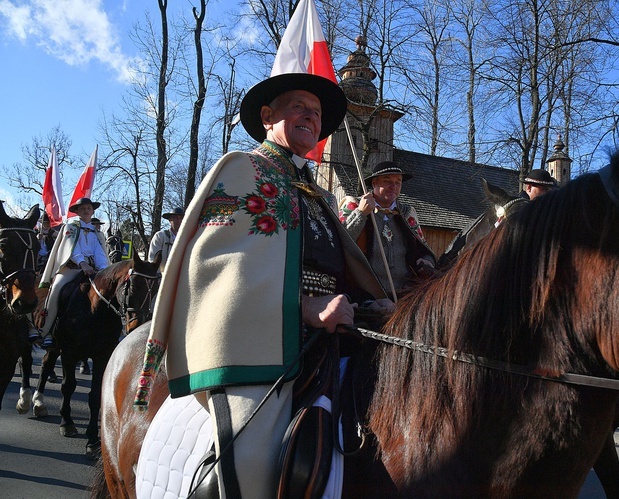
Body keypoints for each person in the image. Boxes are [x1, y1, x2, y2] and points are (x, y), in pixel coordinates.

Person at [133, 72, 393, 498]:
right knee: (251, 458)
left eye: (317, 113)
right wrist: (303, 307)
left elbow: (339, 264)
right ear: (268, 116)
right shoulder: (242, 170)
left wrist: (372, 302)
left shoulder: (316, 194)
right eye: (300, 108)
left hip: (330, 335)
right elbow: (214, 265)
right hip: (263, 339)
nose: (311, 117)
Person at [338, 161, 436, 297]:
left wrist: (427, 261)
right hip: (363, 294)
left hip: (404, 294)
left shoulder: (407, 213)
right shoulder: (354, 205)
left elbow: (423, 249)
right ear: (374, 183)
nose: (393, 187)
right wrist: (361, 213)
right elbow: (340, 242)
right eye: (387, 181)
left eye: (398, 182)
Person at [36, 197, 110, 349]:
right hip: (71, 268)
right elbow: (72, 248)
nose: (86, 211)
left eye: (89, 208)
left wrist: (104, 270)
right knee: (56, 290)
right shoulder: (71, 227)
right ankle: (47, 330)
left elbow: (100, 253)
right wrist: (83, 264)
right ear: (77, 212)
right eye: (82, 209)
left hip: (93, 270)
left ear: (93, 211)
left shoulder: (96, 233)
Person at [147, 207, 184, 272]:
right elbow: (153, 260)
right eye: (175, 218)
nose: (179, 221)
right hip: (162, 277)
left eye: (181, 218)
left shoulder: (186, 238)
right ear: (170, 220)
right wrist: (158, 277)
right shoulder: (160, 236)